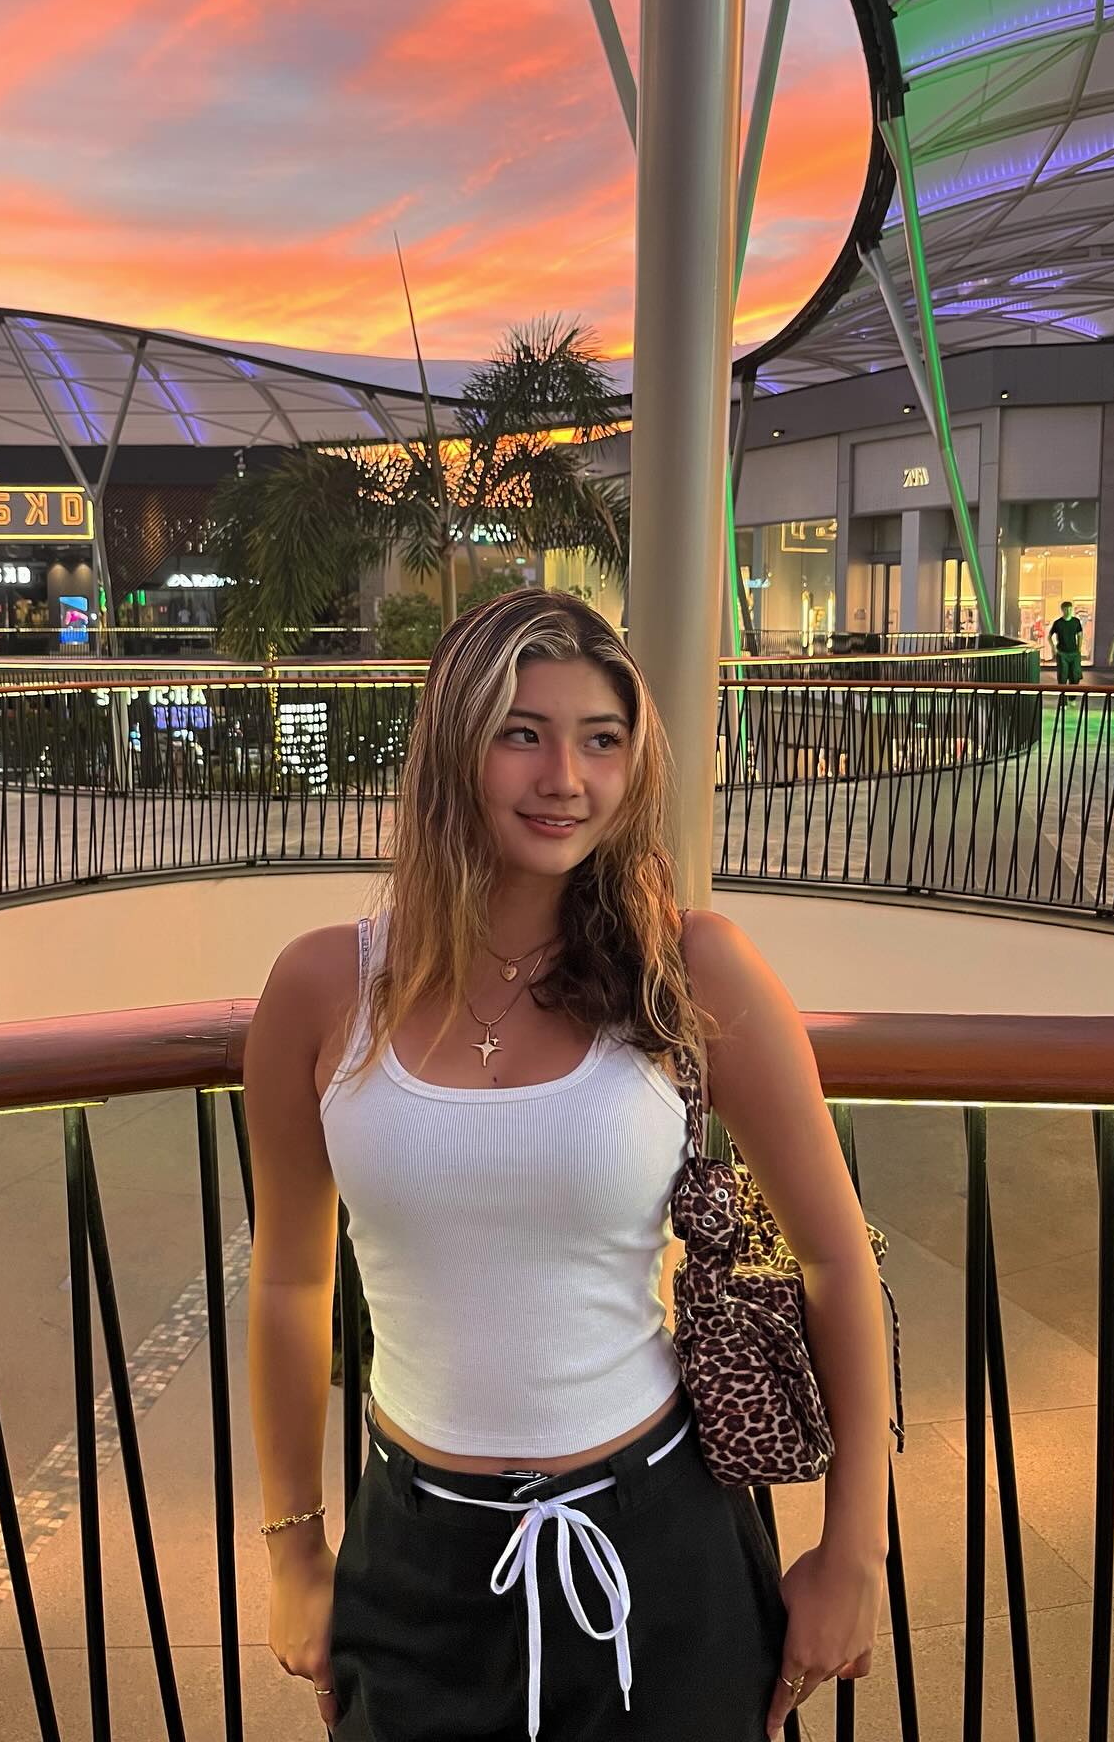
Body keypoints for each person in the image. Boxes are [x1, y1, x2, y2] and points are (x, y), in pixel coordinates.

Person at [243, 589, 891, 1742]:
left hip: (663, 1550)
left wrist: (852, 1553)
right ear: (453, 750)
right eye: (522, 733)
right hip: (418, 1559)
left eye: (601, 740)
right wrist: (295, 1549)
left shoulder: (691, 970)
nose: (565, 778)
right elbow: (291, 1280)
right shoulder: (321, 989)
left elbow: (836, 1258)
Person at [1047, 601, 1084, 686]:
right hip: (1062, 652)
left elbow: (1080, 635)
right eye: (1066, 609)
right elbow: (1049, 636)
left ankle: (1073, 694)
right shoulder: (1058, 623)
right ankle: (1062, 693)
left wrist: (1079, 649)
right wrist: (1053, 648)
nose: (1068, 611)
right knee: (1062, 676)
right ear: (1062, 610)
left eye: (1070, 609)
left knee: (1075, 676)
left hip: (1074, 652)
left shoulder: (1076, 621)